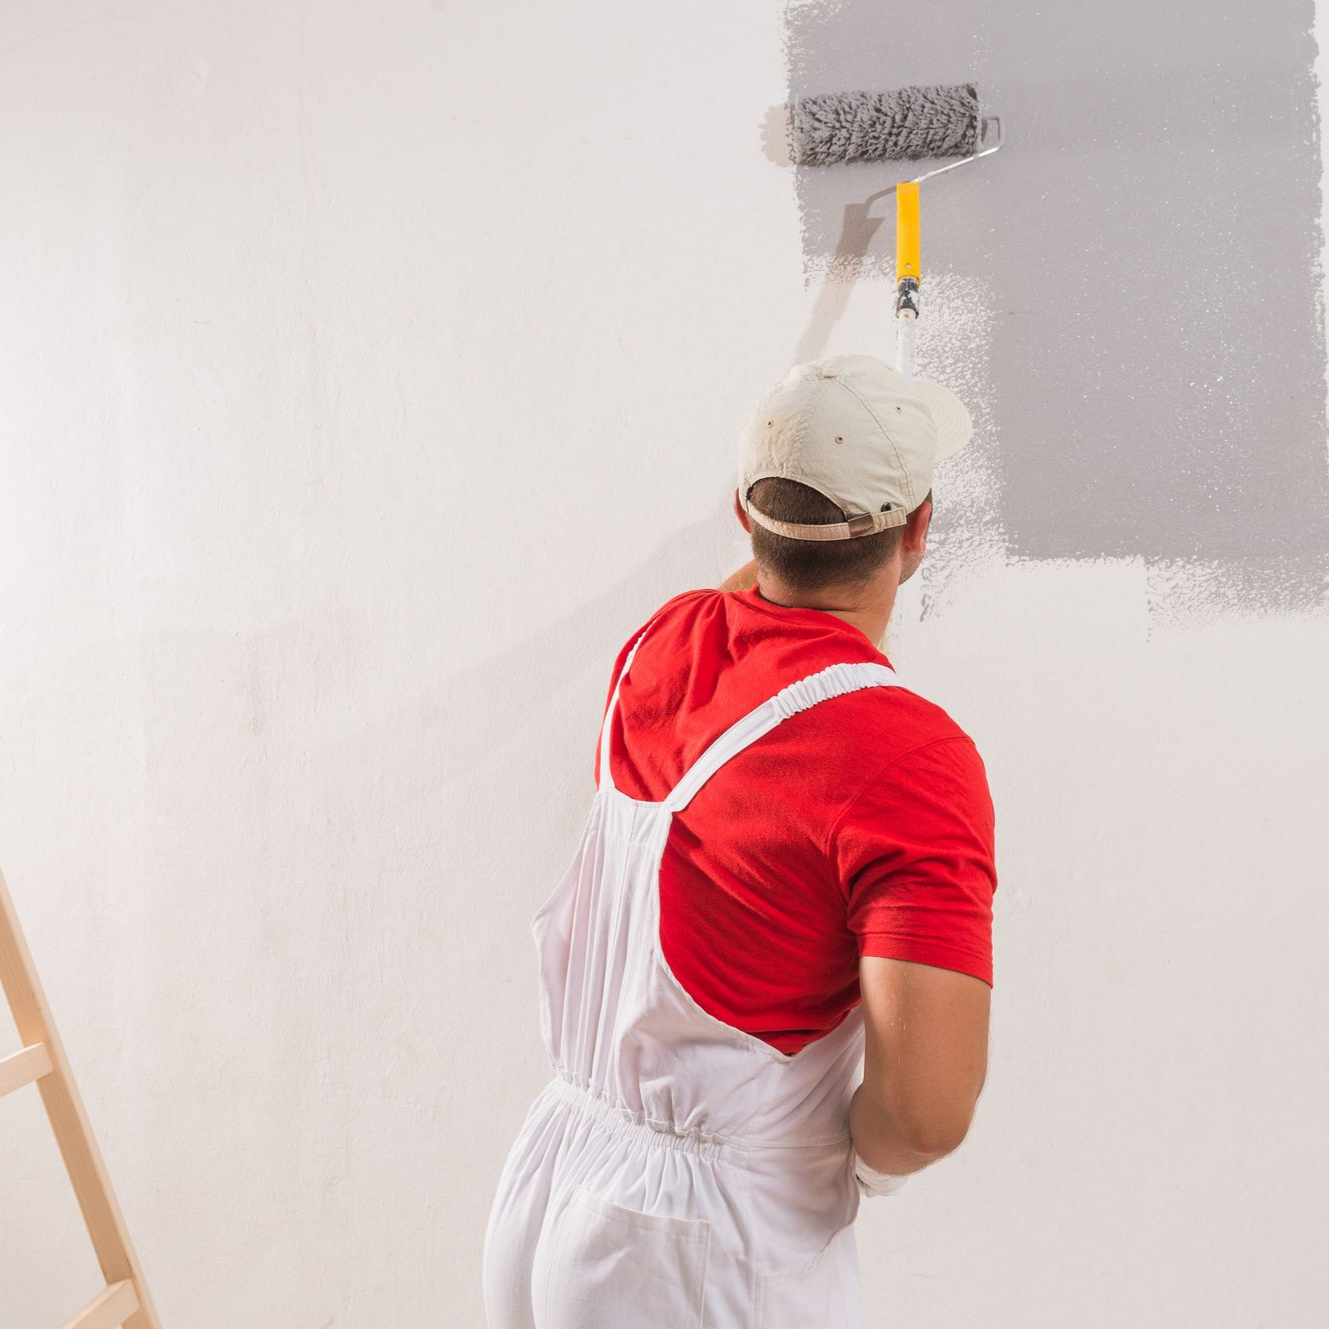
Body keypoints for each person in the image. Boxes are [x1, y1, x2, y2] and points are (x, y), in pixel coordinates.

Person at [483, 353, 998, 1329]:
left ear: (743, 516)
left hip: (553, 1196)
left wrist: (803, 466)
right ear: (922, 529)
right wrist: (865, 1170)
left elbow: (750, 598)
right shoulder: (909, 763)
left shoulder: (664, 644)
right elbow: (925, 1112)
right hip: (711, 1258)